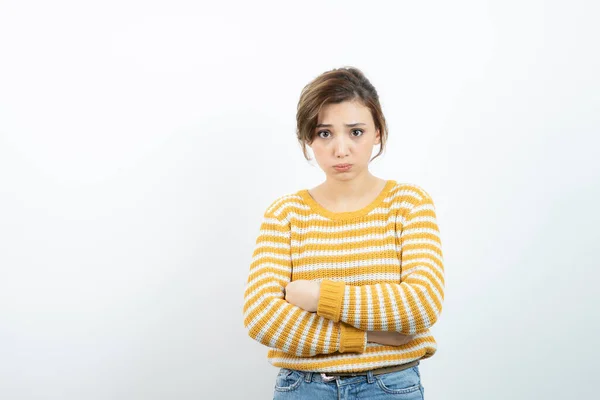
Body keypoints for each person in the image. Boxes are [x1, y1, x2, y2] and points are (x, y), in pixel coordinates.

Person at [242, 66, 445, 399]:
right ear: (308, 137)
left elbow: (420, 305)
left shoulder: (408, 203)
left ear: (377, 132)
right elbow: (262, 317)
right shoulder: (286, 214)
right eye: (325, 133)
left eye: (355, 132)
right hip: (303, 387)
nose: (341, 149)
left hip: (389, 386)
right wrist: (371, 336)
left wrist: (320, 296)